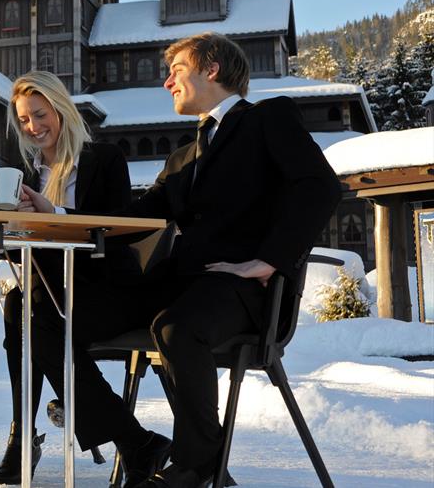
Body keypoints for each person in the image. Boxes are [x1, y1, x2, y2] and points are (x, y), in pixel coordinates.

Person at [21, 33, 341, 488]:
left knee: (175, 327)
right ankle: (134, 440)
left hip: (241, 288)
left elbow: (319, 186)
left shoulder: (268, 119)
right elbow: (132, 219)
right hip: (177, 285)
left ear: (211, 70)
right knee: (46, 318)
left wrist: (270, 261)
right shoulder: (184, 157)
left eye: (177, 69)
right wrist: (54, 214)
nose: (167, 80)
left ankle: (194, 465)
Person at [0, 71, 145, 484]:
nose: (32, 127)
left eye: (39, 115)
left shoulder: (104, 159)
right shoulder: (24, 174)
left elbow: (116, 228)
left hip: (109, 291)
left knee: (31, 318)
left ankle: (26, 438)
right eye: (23, 119)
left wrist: (54, 214)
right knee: (19, 306)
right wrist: (10, 225)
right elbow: (14, 253)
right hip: (51, 294)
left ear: (60, 109)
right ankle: (133, 440)